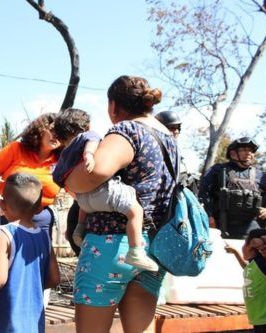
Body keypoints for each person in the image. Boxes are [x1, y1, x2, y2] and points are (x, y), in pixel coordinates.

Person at [64, 75, 177, 332]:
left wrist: (68, 177)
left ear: (114, 106)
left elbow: (93, 175)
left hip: (110, 245)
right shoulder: (169, 139)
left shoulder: (127, 131)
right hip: (152, 247)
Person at [52, 108, 158, 271]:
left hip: (83, 202)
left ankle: (79, 228)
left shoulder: (65, 154)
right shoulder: (87, 135)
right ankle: (136, 251)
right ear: (85, 126)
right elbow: (92, 141)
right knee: (135, 211)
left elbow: (57, 177)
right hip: (104, 192)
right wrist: (89, 155)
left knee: (82, 203)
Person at [0, 173, 60, 333]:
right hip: (34, 323)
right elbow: (54, 278)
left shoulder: (5, 235)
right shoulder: (44, 237)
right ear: (40, 207)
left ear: (2, 205)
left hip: (7, 323)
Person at [0, 113, 61, 235]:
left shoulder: (62, 161)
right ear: (40, 129)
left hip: (42, 221)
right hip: (7, 216)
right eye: (52, 130)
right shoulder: (15, 149)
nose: (56, 135)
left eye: (61, 133)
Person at [199, 137, 266, 239]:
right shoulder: (218, 170)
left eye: (251, 150)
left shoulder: (259, 175)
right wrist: (208, 216)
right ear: (233, 153)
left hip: (250, 227)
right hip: (220, 225)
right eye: (244, 150)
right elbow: (203, 193)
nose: (249, 153)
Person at [225, 229, 266, 332]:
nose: (243, 247)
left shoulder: (265, 264)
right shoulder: (252, 265)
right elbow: (246, 268)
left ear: (252, 248)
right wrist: (235, 252)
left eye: (245, 243)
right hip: (258, 319)